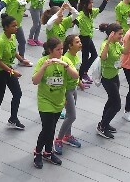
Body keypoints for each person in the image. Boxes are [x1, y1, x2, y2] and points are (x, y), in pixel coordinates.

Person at [31, 36, 77, 168]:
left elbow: (75, 76)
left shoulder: (65, 60)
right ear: (50, 50)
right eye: (58, 49)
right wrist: (43, 67)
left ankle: (48, 152)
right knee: (47, 129)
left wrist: (66, 66)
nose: (61, 52)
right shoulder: (42, 61)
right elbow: (35, 81)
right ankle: (37, 152)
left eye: (62, 49)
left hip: (59, 101)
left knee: (51, 129)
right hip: (45, 101)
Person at [96, 21, 123, 139]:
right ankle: (102, 127)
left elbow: (125, 51)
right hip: (107, 78)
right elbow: (103, 57)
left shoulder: (116, 43)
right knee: (117, 105)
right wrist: (108, 42)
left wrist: (129, 38)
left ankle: (104, 123)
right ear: (112, 34)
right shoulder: (105, 44)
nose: (121, 36)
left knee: (111, 100)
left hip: (115, 75)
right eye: (119, 34)